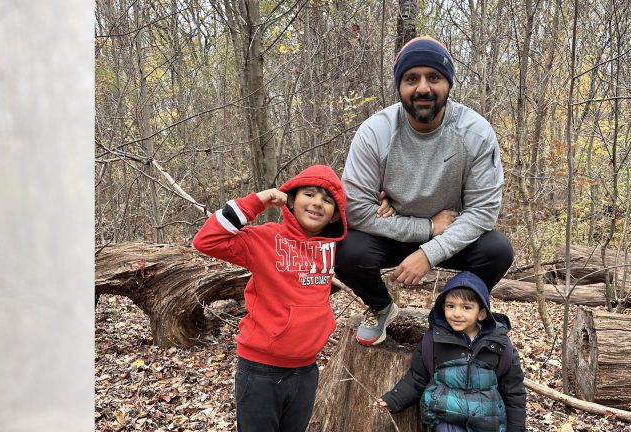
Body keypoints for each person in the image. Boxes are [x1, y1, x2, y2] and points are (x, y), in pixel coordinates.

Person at [335, 36, 515, 346]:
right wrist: (427, 227)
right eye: (411, 79)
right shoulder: (375, 132)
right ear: (399, 85)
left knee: (496, 251)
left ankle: (449, 318)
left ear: (448, 83)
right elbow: (356, 210)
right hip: (392, 230)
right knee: (346, 249)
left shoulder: (474, 133)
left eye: (433, 77)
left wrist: (429, 252)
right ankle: (380, 308)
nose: (422, 88)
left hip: (451, 234)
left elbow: (483, 212)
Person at [192, 165, 346, 432]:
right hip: (261, 369)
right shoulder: (267, 238)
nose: (317, 203)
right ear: (291, 199)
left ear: (335, 215)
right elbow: (206, 240)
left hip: (307, 369)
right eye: (309, 194)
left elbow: (374, 248)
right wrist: (257, 201)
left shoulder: (334, 247)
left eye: (328, 200)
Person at [375, 272, 527, 432]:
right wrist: (394, 399)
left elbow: (514, 391)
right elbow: (417, 378)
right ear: (442, 308)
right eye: (450, 306)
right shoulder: (433, 341)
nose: (456, 314)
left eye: (466, 307)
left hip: (487, 422)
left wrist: (516, 428)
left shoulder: (499, 344)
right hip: (446, 419)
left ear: (481, 313)